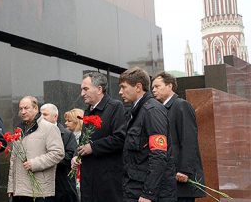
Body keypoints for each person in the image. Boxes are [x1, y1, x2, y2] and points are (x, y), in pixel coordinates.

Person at [119, 67, 176, 202]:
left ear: (138, 87)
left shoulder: (152, 110)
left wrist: (148, 194)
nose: (120, 92)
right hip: (135, 188)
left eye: (123, 87)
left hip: (148, 193)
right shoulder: (137, 111)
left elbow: (158, 155)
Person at [72, 72, 126, 202]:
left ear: (99, 89)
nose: (82, 94)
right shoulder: (88, 111)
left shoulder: (115, 107)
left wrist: (93, 147)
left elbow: (120, 138)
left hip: (107, 181)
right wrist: (77, 155)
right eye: (81, 89)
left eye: (85, 89)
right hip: (88, 179)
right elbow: (83, 140)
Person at [152, 72, 205, 202]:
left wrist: (184, 170)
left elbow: (189, 140)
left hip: (180, 177)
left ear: (169, 86)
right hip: (168, 179)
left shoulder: (181, 105)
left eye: (157, 86)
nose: (153, 90)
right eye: (152, 87)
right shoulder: (160, 109)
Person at [8, 96, 64, 202]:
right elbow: (13, 160)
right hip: (20, 191)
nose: (23, 112)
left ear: (35, 108)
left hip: (40, 191)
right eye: (20, 109)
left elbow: (58, 153)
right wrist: (11, 187)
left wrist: (34, 163)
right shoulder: (18, 130)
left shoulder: (50, 128)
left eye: (26, 108)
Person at [41, 103, 78, 202]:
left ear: (55, 117)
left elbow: (70, 157)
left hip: (62, 186)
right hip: (41, 189)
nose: (42, 118)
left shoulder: (67, 135)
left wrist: (46, 159)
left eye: (45, 115)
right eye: (40, 115)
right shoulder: (34, 134)